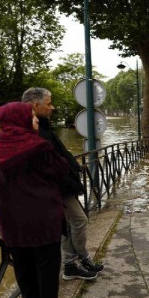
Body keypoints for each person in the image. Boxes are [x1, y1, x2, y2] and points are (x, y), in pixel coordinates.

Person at [0, 102, 69, 298]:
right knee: (47, 265)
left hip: (11, 216)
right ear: (19, 119)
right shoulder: (38, 146)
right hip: (42, 215)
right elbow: (60, 169)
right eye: (32, 116)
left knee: (22, 263)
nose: (36, 120)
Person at [22, 87, 104, 279]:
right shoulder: (35, 129)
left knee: (69, 224)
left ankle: (71, 264)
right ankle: (78, 259)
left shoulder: (42, 126)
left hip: (61, 185)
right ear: (36, 105)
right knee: (79, 220)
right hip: (57, 187)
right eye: (49, 103)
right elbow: (46, 162)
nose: (53, 107)